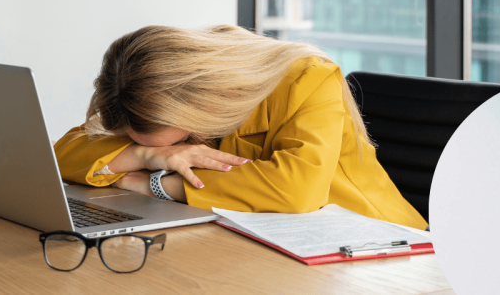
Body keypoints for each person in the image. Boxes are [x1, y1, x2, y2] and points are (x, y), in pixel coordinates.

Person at [54, 24, 427, 229]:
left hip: (374, 244)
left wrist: (151, 184)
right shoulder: (144, 93)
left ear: (203, 102)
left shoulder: (309, 78)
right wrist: (146, 155)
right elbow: (61, 153)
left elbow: (296, 189)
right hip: (260, 236)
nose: (179, 149)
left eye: (182, 138)